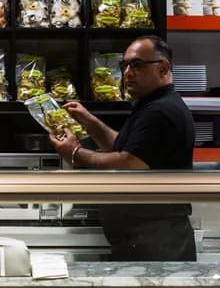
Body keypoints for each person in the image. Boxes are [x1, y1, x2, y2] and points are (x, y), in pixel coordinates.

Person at [49, 35, 196, 261]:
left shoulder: (161, 111)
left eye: (136, 65)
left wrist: (76, 153)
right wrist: (89, 120)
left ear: (163, 68)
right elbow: (126, 147)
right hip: (143, 236)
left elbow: (130, 162)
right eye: (124, 65)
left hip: (157, 239)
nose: (127, 73)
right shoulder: (153, 105)